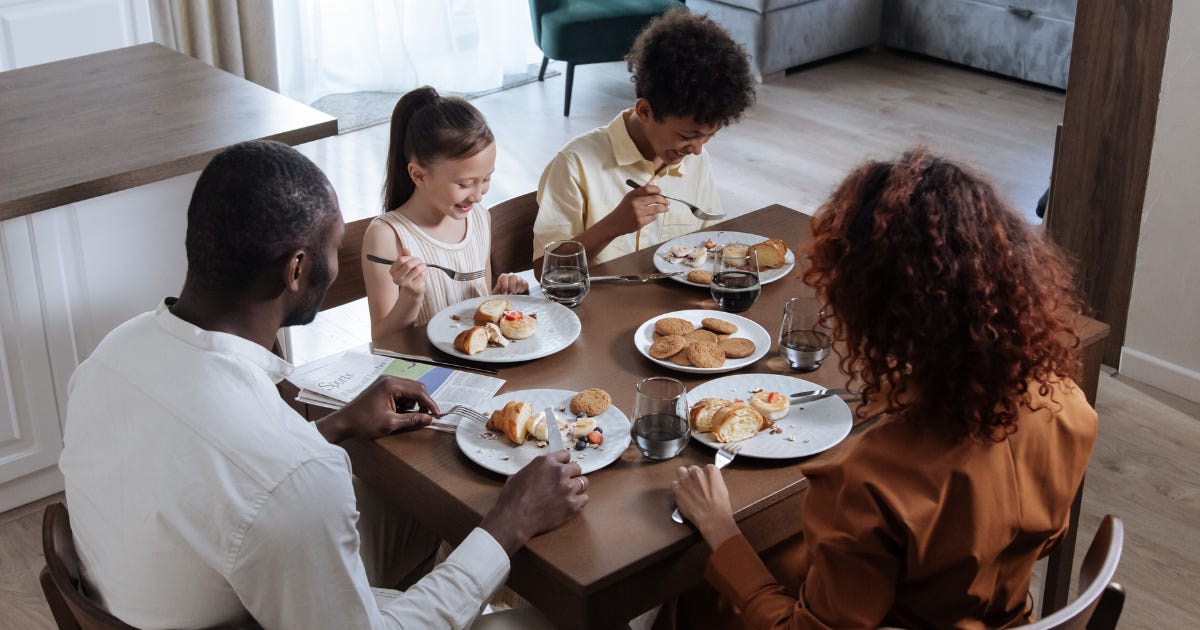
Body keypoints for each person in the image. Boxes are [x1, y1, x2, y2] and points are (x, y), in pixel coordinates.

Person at [59, 140, 586, 629]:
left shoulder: (111, 355)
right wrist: (508, 524)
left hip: (166, 599)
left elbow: (218, 478)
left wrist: (334, 426)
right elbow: (270, 487)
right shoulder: (291, 479)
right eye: (335, 247)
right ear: (297, 269)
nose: (337, 264)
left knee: (405, 505)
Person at [669, 148, 1098, 628]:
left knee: (699, 590)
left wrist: (720, 527)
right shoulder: (1067, 404)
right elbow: (1039, 539)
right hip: (997, 611)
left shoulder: (876, 477)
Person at [531, 9, 755, 267]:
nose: (696, 150)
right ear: (645, 111)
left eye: (708, 136)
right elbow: (544, 269)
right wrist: (612, 226)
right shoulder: (575, 164)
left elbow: (711, 239)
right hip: (599, 305)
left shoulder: (696, 158)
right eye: (687, 136)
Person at [363, 86, 527, 340]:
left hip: (479, 364)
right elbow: (383, 339)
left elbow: (479, 307)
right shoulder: (386, 235)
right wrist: (411, 296)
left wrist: (502, 296)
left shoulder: (480, 218)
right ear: (418, 175)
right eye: (463, 184)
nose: (477, 195)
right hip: (424, 371)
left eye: (485, 179)